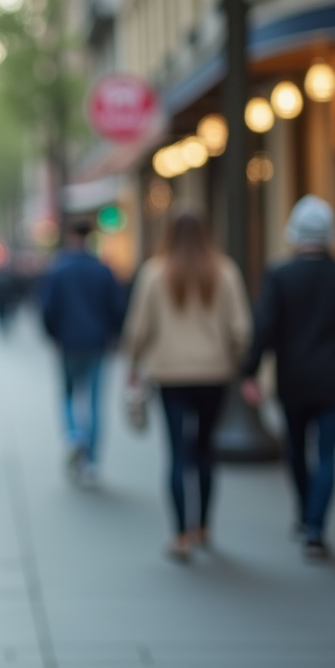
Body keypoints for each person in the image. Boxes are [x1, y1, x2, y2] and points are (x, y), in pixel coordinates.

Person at [122, 211, 251, 562]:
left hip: (170, 374)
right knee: (205, 450)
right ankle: (205, 526)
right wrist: (244, 368)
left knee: (178, 453)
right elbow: (241, 329)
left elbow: (138, 328)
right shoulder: (225, 272)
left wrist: (132, 364)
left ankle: (180, 534)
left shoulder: (153, 272)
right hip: (214, 373)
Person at [240, 195, 335, 561]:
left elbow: (265, 327)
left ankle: (305, 516)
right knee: (328, 454)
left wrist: (249, 371)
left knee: (297, 450)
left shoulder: (280, 275)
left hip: (294, 380)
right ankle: (315, 526)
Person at [38, 219, 124, 485]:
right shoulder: (102, 270)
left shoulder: (59, 270)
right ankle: (91, 460)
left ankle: (75, 435)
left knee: (68, 394)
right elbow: (117, 307)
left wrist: (53, 335)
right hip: (97, 342)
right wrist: (113, 335)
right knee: (96, 400)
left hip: (68, 342)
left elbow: (47, 308)